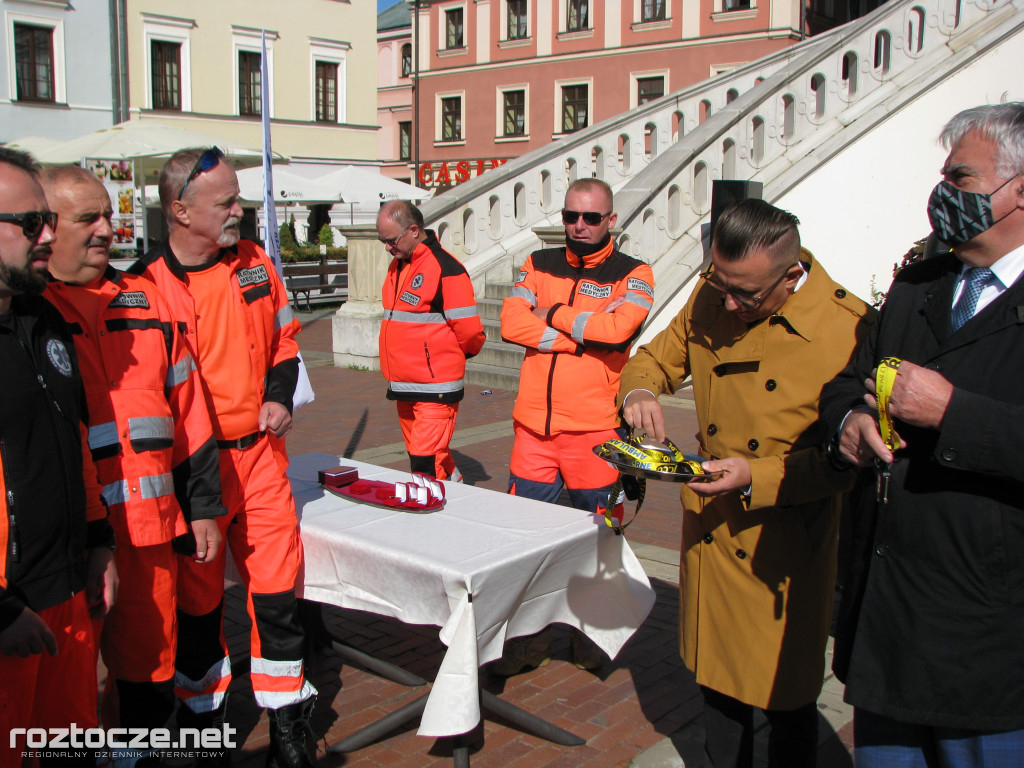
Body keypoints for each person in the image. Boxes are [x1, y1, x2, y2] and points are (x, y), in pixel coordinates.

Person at [619, 198, 874, 767]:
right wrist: (639, 393)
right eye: (721, 284)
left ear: (791, 274)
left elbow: (848, 461)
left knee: (787, 701)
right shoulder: (714, 292)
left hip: (784, 545)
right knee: (717, 690)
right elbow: (652, 361)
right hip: (712, 530)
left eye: (747, 296)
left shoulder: (850, 327)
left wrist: (753, 474)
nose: (729, 304)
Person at [819, 103, 1024, 767]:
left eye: (960, 179)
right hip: (889, 625)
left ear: (1019, 189)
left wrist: (953, 412)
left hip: (990, 648)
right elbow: (846, 383)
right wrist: (848, 423)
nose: (942, 196)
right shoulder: (916, 286)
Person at [130, 147, 315, 768]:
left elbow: (285, 339)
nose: (241, 211)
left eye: (239, 199)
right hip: (194, 473)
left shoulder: (255, 262)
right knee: (199, 604)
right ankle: (203, 721)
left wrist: (279, 394)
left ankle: (289, 719)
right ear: (180, 211)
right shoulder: (141, 288)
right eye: (226, 203)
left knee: (277, 593)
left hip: (261, 457)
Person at [40, 165, 225, 760]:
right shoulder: (27, 317)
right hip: (63, 546)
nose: (105, 229)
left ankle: (137, 753)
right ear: (45, 227)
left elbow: (191, 412)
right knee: (60, 686)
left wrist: (202, 507)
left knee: (149, 672)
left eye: (108, 215)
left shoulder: (146, 306)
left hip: (149, 535)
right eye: (86, 218)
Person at [495, 178, 654, 674]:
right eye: (570, 216)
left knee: (601, 542)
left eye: (590, 218)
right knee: (525, 542)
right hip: (533, 433)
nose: (579, 226)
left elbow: (618, 330)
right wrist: (576, 336)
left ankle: (595, 636)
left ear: (611, 221)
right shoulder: (538, 263)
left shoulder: (634, 272)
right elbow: (509, 323)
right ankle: (528, 640)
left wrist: (554, 315)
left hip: (594, 434)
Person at [0, 148, 116, 765]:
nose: (46, 237)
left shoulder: (41, 315)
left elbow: (74, 442)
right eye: (28, 224)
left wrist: (99, 542)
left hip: (68, 592)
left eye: (48, 221)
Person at [376, 200, 485, 481]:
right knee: (425, 456)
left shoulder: (446, 268)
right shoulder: (399, 265)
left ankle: (434, 515)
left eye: (391, 240)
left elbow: (471, 332)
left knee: (424, 465)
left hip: (435, 387)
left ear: (413, 230)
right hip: (404, 384)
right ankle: (455, 489)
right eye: (383, 241)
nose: (388, 246)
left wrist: (451, 356)